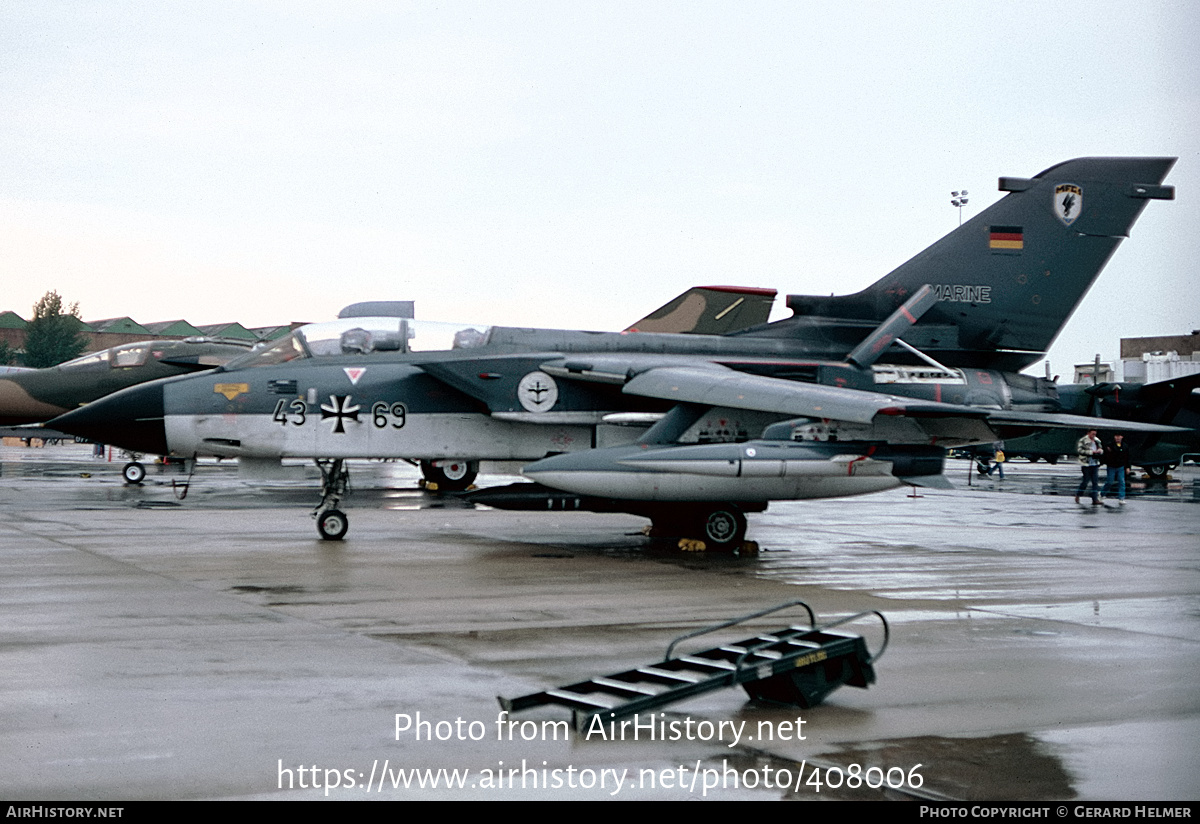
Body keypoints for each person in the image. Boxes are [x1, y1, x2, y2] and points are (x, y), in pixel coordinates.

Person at [1075, 429, 1103, 505]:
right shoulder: (1083, 440)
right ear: (1088, 433)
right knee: (1085, 481)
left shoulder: (1097, 440)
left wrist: (1100, 451)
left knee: (1095, 482)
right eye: (1092, 434)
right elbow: (1080, 450)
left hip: (1095, 463)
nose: (1094, 436)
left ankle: (1095, 499)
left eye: (1095, 434)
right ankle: (1078, 494)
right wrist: (1091, 452)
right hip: (1086, 464)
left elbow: (1100, 448)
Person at [1102, 433, 1131, 504]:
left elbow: (1127, 457)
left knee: (1121, 482)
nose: (1117, 438)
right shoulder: (1110, 445)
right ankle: (1102, 494)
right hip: (1111, 466)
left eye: (1119, 436)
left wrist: (1128, 467)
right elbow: (1106, 455)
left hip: (1120, 466)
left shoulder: (1125, 446)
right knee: (1109, 481)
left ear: (1122, 437)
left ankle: (1121, 498)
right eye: (1116, 436)